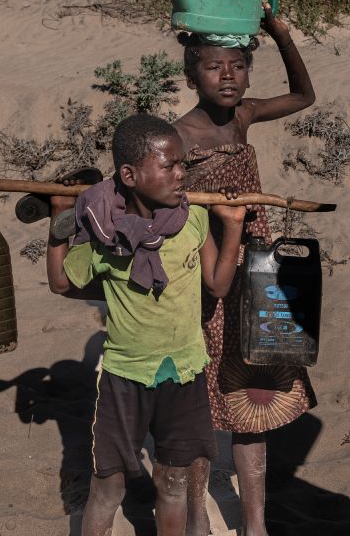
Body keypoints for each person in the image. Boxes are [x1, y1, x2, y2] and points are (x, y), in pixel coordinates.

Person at [45, 113, 246, 536]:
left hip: (185, 371)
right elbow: (62, 281)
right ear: (130, 175)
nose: (180, 174)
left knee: (172, 482)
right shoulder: (108, 234)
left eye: (183, 165)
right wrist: (59, 223)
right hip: (125, 377)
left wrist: (232, 227)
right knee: (108, 486)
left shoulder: (192, 220)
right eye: (169, 165)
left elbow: (218, 284)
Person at [173, 3, 318, 536]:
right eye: (213, 67)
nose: (228, 76)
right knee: (204, 401)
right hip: (208, 277)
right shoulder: (178, 138)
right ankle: (196, 520)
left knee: (253, 392)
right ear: (192, 75)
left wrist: (280, 32)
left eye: (236, 65)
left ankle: (255, 522)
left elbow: (305, 95)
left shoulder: (243, 117)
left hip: (259, 271)